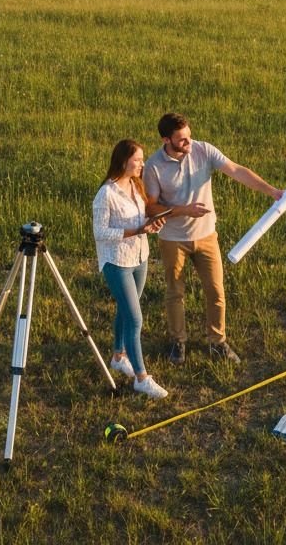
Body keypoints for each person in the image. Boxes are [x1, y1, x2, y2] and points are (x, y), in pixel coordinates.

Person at [143, 112, 282, 365]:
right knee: (175, 293)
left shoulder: (203, 150)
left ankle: (217, 342)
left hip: (207, 236)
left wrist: (271, 191)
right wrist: (185, 210)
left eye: (189, 136)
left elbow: (236, 170)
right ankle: (178, 342)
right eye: (182, 140)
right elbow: (151, 207)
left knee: (216, 291)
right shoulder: (153, 166)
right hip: (173, 239)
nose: (189, 143)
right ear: (166, 140)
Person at [92, 138, 169, 399]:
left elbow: (141, 218)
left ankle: (118, 356)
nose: (142, 163)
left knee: (126, 310)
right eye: (137, 160)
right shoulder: (106, 194)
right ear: (124, 161)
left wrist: (151, 223)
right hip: (117, 262)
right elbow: (100, 233)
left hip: (139, 256)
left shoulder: (136, 186)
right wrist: (137, 230)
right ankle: (141, 377)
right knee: (135, 319)